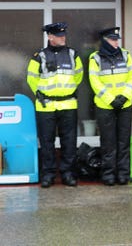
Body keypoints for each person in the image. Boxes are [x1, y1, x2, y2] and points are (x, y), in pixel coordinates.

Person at [27, 22, 84, 188]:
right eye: (59, 36)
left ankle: (68, 174)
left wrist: (67, 90)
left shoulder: (73, 55)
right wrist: (40, 93)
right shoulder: (40, 56)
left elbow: (78, 76)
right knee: (46, 142)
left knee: (69, 142)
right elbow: (31, 78)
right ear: (50, 37)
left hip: (68, 104)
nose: (63, 38)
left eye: (64, 35)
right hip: (46, 106)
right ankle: (48, 174)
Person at [88, 27, 132, 186]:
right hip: (105, 106)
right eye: (113, 39)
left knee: (123, 142)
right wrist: (111, 99)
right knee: (108, 142)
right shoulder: (95, 58)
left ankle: (124, 174)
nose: (116, 42)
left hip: (125, 104)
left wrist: (125, 96)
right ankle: (108, 174)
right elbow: (94, 81)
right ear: (104, 40)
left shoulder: (125, 55)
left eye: (117, 39)